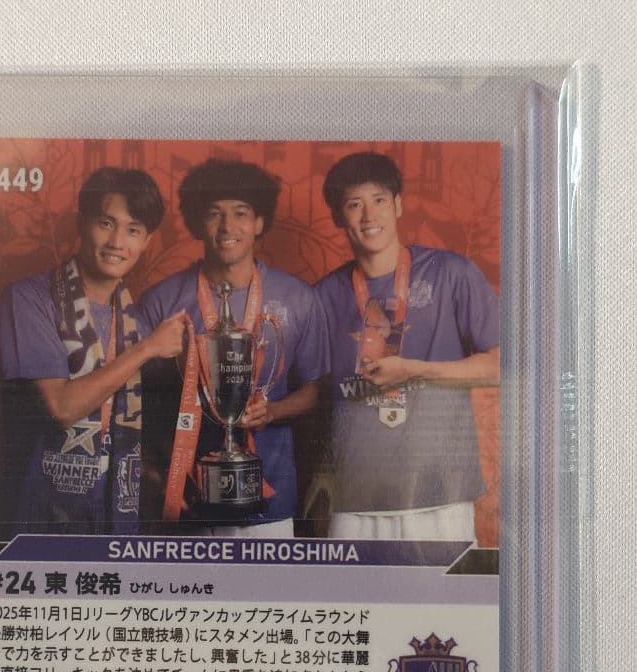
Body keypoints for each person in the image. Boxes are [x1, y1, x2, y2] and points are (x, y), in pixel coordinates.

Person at [138, 158, 329, 537]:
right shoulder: (161, 301)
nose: (227, 226)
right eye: (214, 214)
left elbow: (318, 390)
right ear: (197, 222)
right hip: (188, 503)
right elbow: (135, 400)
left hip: (272, 506)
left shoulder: (298, 298)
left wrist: (272, 411)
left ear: (259, 222)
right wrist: (154, 473)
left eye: (240, 213)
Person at [315, 152, 500, 542]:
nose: (369, 215)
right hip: (355, 496)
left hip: (441, 492)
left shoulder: (451, 273)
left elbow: (502, 366)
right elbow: (312, 389)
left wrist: (415, 370)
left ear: (398, 205)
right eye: (354, 204)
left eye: (379, 200)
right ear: (337, 217)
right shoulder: (323, 295)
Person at [0, 166, 185, 535]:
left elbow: (120, 428)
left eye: (133, 230)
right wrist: (147, 349)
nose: (117, 242)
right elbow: (62, 408)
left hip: (115, 518)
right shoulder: (28, 299)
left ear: (147, 241)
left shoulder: (133, 319)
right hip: (42, 515)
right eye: (106, 223)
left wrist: (160, 478)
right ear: (81, 223)